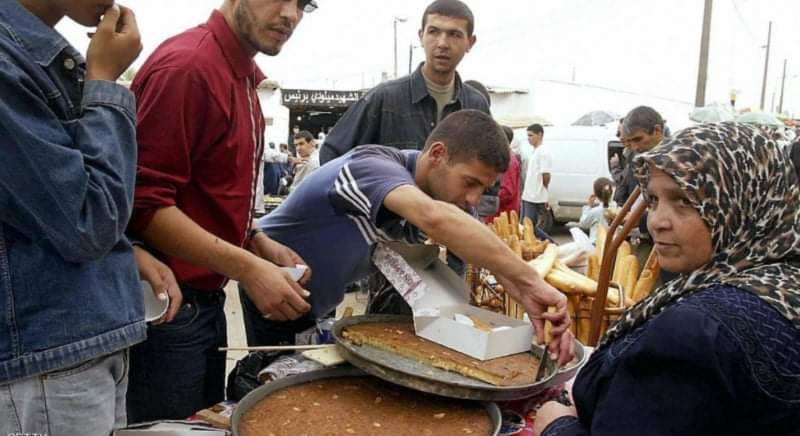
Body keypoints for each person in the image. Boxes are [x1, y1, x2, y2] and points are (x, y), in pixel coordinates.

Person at [242, 110, 575, 366]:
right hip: (272, 282)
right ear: (437, 154)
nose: (473, 199)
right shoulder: (371, 165)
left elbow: (491, 258)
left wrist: (530, 299)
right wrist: (532, 279)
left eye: (482, 189)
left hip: (315, 303)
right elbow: (433, 218)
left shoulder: (448, 201)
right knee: (269, 386)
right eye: (469, 182)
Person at [534, 122, 800, 435]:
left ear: (744, 202)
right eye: (654, 200)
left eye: (683, 200)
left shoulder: (697, 331)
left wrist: (555, 425)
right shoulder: (780, 285)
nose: (655, 222)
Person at [126, 0, 318, 422]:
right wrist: (249, 269)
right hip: (167, 306)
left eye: (303, 4)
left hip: (204, 305)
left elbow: (209, 191)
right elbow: (143, 204)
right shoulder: (188, 67)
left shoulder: (245, 76)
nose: (291, 14)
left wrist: (257, 241)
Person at [0, 2, 178, 434]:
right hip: (46, 358)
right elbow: (87, 220)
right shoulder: (9, 62)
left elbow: (45, 205)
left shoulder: (30, 53)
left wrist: (125, 250)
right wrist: (104, 83)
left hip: (63, 352)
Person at [319, 0, 489, 164]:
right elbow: (332, 155)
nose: (442, 43)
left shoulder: (476, 107)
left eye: (454, 34)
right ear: (421, 36)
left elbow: (490, 173)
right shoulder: (383, 99)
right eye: (433, 32)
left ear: (470, 42)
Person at [614, 106, 665, 206]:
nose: (635, 147)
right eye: (630, 141)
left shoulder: (677, 164)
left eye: (638, 139)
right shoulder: (640, 162)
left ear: (657, 131)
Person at [521, 123, 552, 230]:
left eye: (531, 135)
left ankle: (551, 243)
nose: (529, 138)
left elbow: (546, 174)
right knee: (526, 227)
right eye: (528, 136)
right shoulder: (535, 151)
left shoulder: (543, 152)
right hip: (528, 195)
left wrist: (544, 190)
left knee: (530, 227)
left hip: (535, 196)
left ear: (539, 135)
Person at [578, 177, 615, 242]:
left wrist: (588, 206)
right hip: (612, 245)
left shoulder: (595, 211)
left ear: (596, 194)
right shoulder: (616, 208)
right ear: (611, 192)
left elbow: (583, 223)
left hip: (596, 245)